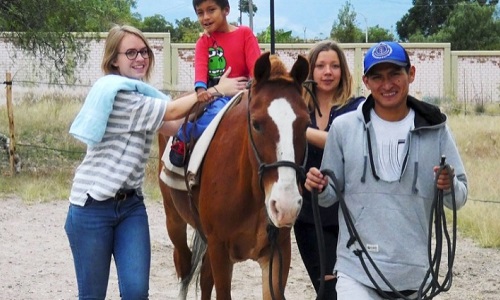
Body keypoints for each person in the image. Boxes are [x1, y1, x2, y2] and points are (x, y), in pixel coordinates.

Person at [64, 24, 246, 300]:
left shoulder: (141, 95)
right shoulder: (119, 95)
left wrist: (226, 115)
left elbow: (175, 126)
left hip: (130, 207)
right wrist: (215, 89)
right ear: (114, 59)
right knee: (92, 295)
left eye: (144, 52)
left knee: (137, 293)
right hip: (91, 208)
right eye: (131, 53)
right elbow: (173, 110)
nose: (140, 58)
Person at [304, 41, 468, 299]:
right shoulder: (344, 129)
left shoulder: (436, 130)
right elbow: (328, 196)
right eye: (377, 77)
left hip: (415, 274)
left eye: (395, 74)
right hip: (356, 269)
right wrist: (320, 186)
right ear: (366, 81)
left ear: (411, 74)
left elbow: (458, 198)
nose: (387, 84)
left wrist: (449, 186)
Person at [293, 40, 365, 299]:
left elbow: (342, 142)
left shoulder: (357, 108)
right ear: (311, 71)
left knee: (348, 290)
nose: (328, 72)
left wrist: (302, 130)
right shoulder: (298, 110)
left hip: (349, 216)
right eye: (321, 65)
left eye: (335, 66)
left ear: (343, 71)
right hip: (309, 218)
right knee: (327, 291)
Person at [169, 0, 261, 167]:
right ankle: (185, 133)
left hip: (243, 93)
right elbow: (201, 68)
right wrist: (201, 90)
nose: (205, 17)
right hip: (216, 95)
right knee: (215, 113)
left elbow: (256, 70)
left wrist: (253, 88)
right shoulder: (203, 42)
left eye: (211, 10)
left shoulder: (244, 34)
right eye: (200, 12)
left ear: (226, 10)